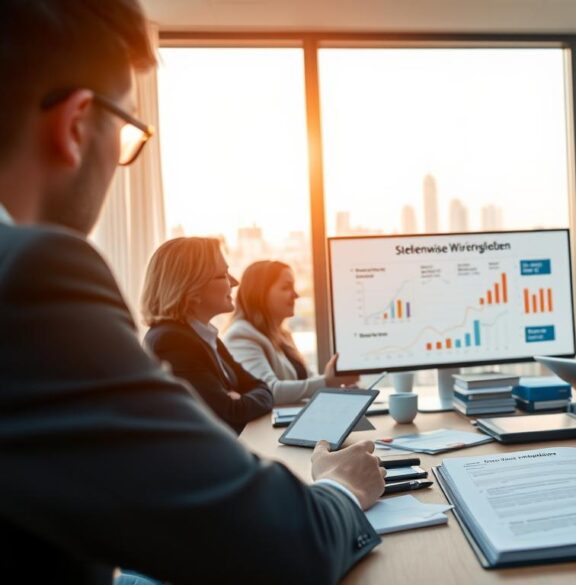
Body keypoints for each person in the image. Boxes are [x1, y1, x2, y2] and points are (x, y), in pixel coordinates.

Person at [0, 2, 385, 583]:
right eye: (128, 132)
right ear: (77, 126)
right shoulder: (31, 282)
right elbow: (283, 546)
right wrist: (341, 488)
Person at [142, 238, 275, 434]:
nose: (235, 282)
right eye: (223, 275)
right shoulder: (172, 342)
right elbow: (231, 413)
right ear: (191, 288)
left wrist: (240, 399)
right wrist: (237, 401)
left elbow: (261, 387)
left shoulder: (203, 335)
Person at [225, 260, 359, 403]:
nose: (296, 295)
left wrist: (339, 387)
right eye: (286, 287)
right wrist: (327, 381)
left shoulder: (282, 335)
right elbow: (268, 390)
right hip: (270, 425)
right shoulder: (241, 335)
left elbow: (307, 382)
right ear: (260, 293)